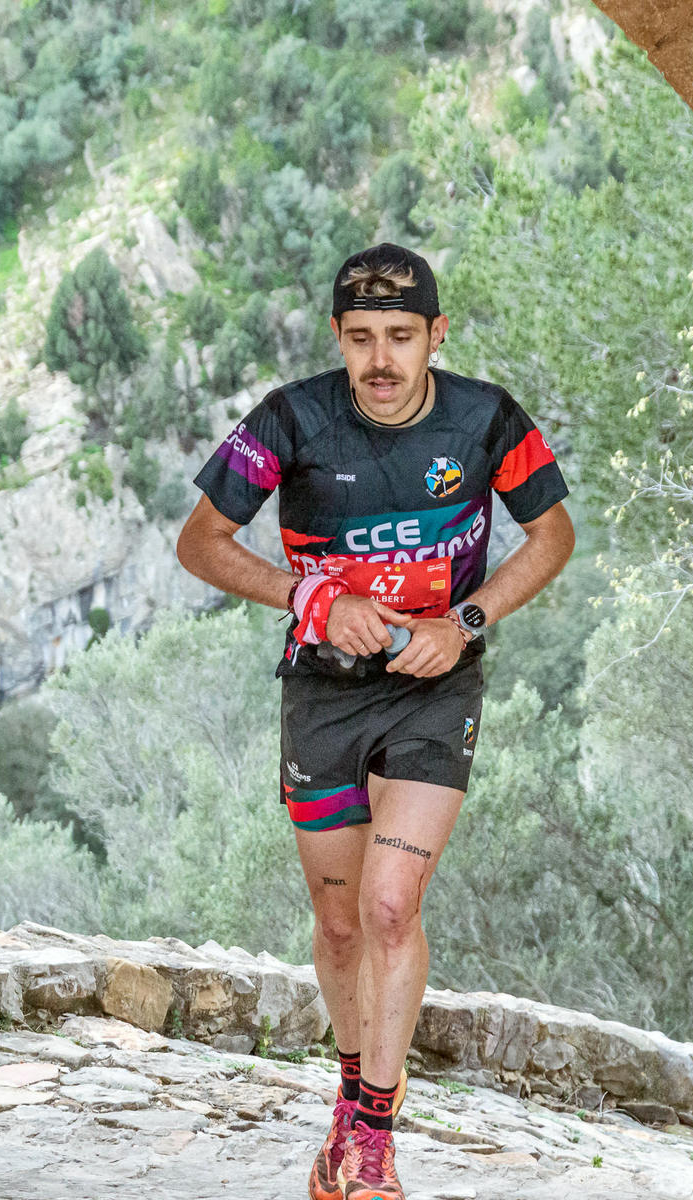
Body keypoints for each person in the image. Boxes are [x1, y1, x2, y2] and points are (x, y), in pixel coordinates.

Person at [175, 243, 574, 1200]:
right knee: (340, 922)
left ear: (437, 334)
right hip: (323, 692)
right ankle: (351, 1098)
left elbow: (552, 534)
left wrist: (464, 621)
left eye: (401, 336)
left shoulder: (486, 418)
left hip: (436, 688)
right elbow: (200, 542)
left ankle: (375, 1142)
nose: (381, 360)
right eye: (361, 338)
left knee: (392, 906)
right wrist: (310, 596)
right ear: (338, 337)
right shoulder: (289, 419)